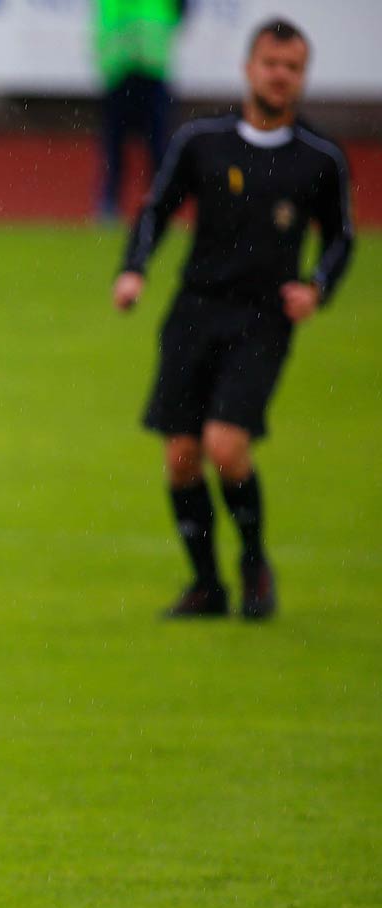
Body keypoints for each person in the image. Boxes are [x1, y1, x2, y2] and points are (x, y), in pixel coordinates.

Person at [113, 18, 353, 620]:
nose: (281, 76)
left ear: (302, 77)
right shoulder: (203, 141)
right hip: (195, 311)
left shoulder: (319, 159)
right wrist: (135, 268)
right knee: (180, 457)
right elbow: (157, 208)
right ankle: (205, 586)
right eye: (271, 64)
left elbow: (341, 238)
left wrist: (317, 287)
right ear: (249, 68)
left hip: (262, 319)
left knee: (225, 445)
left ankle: (252, 564)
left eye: (293, 68)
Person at [97, 0, 189, 221]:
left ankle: (160, 204)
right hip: (120, 72)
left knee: (158, 146)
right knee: (114, 146)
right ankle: (109, 204)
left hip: (152, 70)